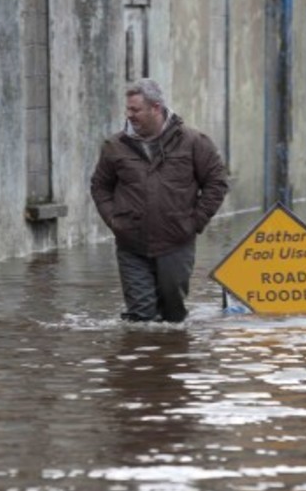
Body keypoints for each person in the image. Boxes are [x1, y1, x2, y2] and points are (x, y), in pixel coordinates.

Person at [90, 78, 228, 323]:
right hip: (131, 243)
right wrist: (114, 220)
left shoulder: (194, 142)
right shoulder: (115, 146)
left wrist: (194, 222)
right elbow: (100, 186)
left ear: (155, 108)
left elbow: (216, 183)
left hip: (176, 241)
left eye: (135, 110)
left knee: (173, 316)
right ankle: (140, 357)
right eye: (128, 109)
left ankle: (169, 359)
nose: (129, 115)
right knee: (140, 316)